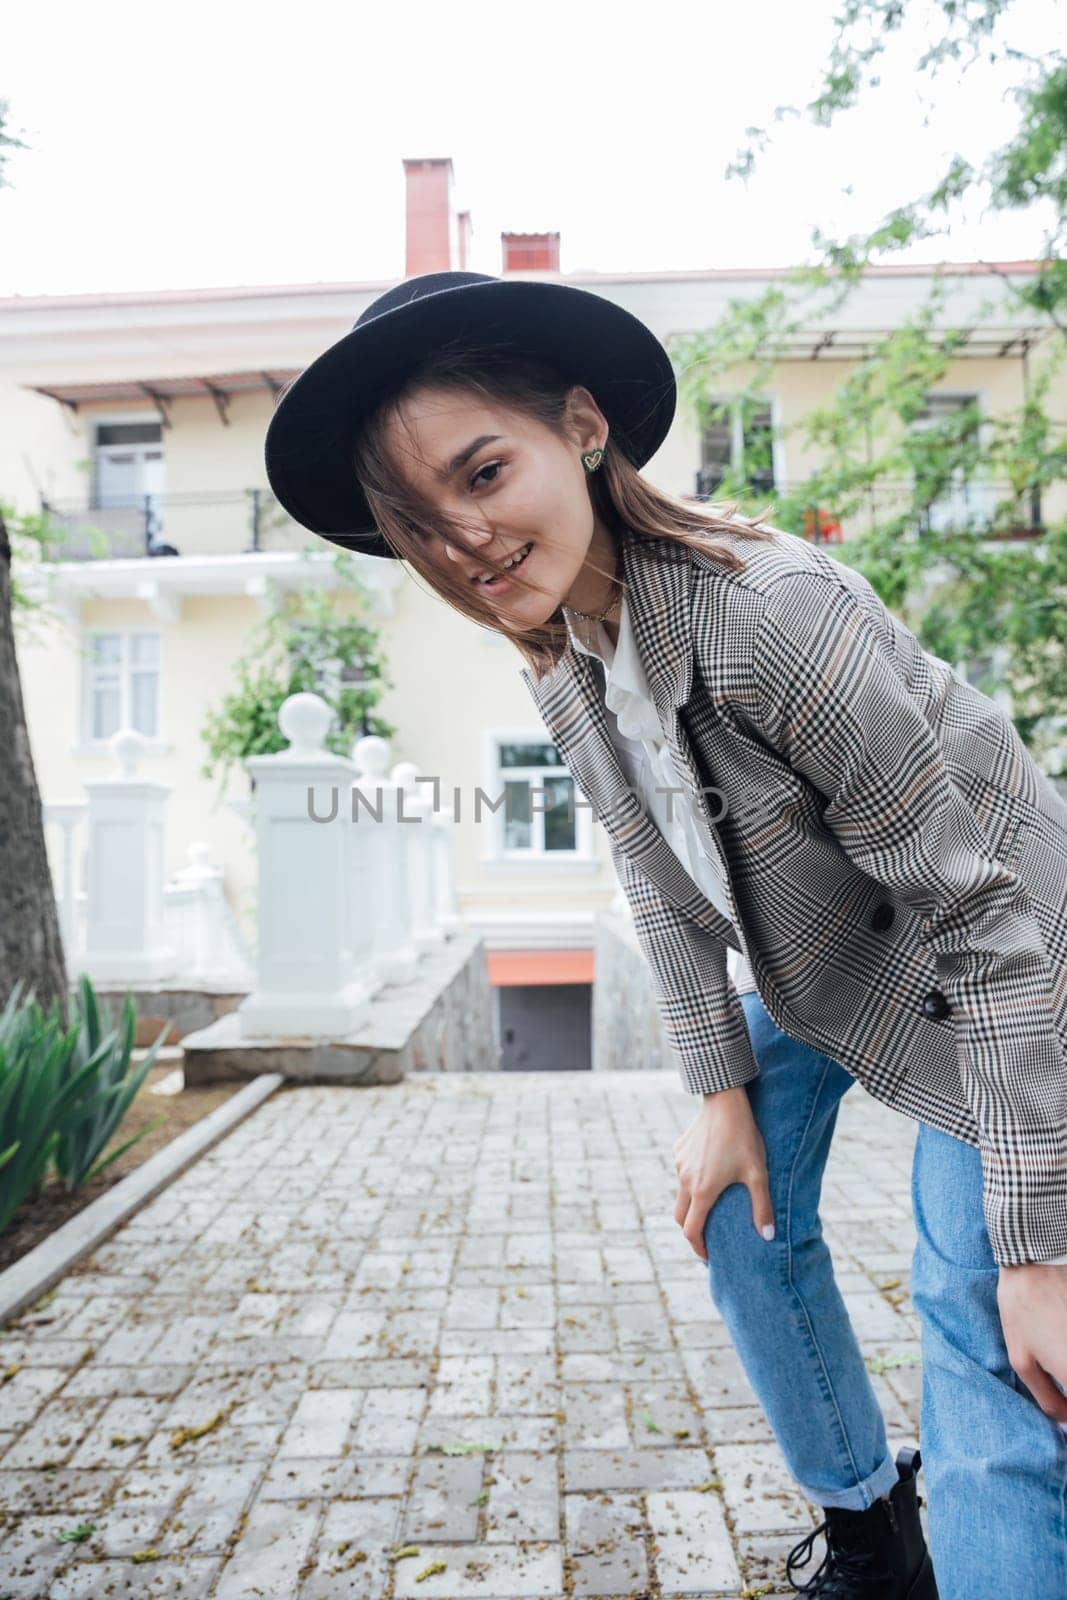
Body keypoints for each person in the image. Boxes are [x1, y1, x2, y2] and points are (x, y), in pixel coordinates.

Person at [265, 270, 1067, 1599]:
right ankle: (873, 1524)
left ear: (582, 426)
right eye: (421, 524)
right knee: (737, 1213)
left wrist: (1036, 1246)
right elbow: (652, 867)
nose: (463, 539)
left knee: (991, 1327)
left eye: (482, 471)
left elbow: (980, 922)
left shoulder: (768, 618)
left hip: (1009, 965)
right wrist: (718, 1092)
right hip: (841, 971)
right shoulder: (564, 653)